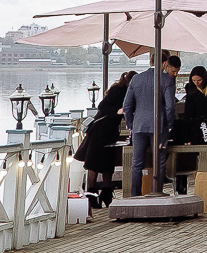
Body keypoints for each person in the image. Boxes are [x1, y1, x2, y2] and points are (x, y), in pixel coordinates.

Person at [124, 52, 180, 197]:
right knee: (159, 162)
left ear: (150, 61)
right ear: (164, 64)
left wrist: (131, 124)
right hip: (158, 125)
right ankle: (157, 191)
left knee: (137, 164)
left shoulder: (136, 79)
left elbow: (127, 105)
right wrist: (169, 124)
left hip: (139, 125)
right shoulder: (166, 80)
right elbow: (170, 107)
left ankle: (135, 195)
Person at [77, 70, 135, 206]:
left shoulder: (128, 92)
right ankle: (92, 195)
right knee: (95, 162)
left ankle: (106, 192)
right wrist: (117, 111)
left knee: (108, 163)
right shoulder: (117, 90)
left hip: (110, 131)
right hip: (100, 130)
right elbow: (102, 106)